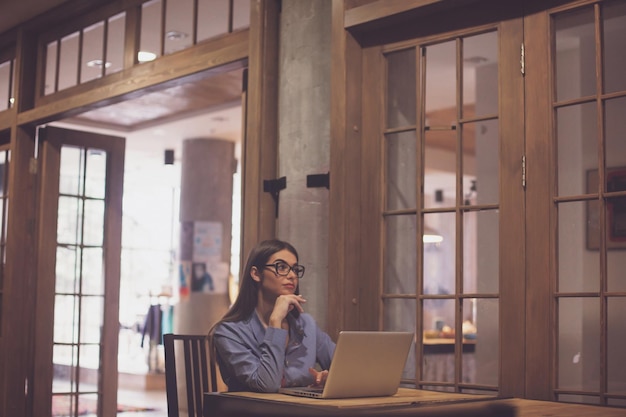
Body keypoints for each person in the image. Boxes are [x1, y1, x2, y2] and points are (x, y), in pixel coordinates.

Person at [210, 239, 335, 392]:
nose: (291, 275)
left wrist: (329, 378)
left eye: (295, 269)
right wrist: (275, 322)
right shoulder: (229, 332)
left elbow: (346, 368)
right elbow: (267, 385)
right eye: (281, 267)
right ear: (256, 274)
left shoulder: (306, 324)